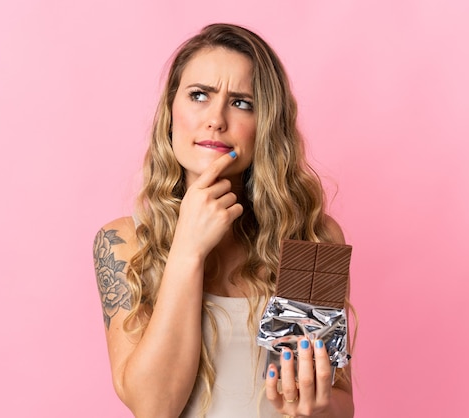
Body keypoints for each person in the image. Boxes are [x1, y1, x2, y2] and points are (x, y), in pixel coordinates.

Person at [93, 23, 354, 418]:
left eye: (242, 103)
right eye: (199, 95)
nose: (216, 119)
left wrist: (313, 407)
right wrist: (187, 249)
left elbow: (338, 403)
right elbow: (153, 407)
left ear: (266, 125)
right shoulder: (126, 242)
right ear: (170, 112)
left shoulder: (306, 239)